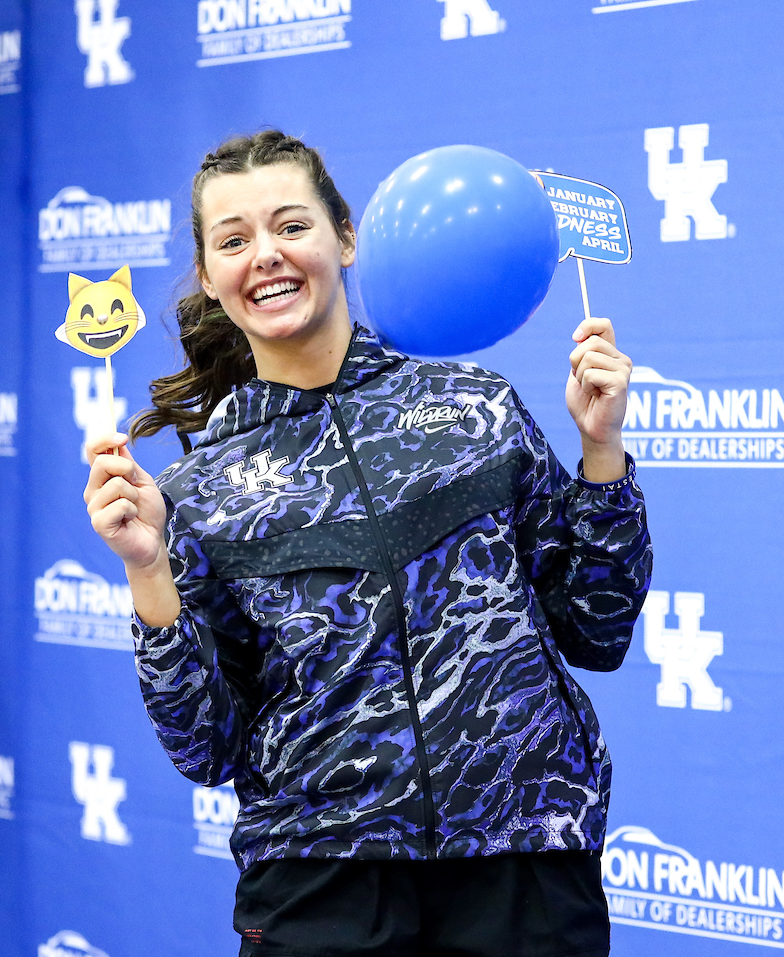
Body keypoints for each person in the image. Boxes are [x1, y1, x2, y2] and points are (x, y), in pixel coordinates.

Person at [83, 130, 652, 957]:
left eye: (291, 226)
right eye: (234, 241)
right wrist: (147, 569)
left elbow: (596, 631)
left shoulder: (477, 408)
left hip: (526, 858)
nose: (266, 256)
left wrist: (600, 455)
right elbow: (204, 747)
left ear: (345, 238)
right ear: (210, 278)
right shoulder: (194, 492)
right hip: (321, 886)